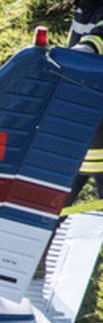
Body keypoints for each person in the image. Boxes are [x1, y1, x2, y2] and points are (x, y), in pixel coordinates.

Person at [67, 1, 103, 202]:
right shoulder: (84, 6)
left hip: (95, 127)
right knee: (49, 211)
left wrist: (87, 48)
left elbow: (98, 38)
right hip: (80, 127)